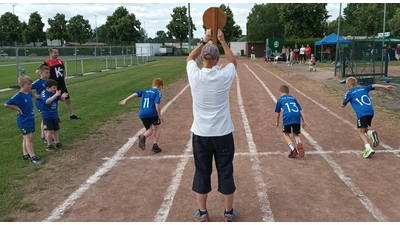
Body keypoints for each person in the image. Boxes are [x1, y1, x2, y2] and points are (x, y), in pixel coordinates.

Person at [186, 28, 238, 222]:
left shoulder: (195, 75)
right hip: (223, 133)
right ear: (217, 60)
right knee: (225, 171)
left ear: (202, 58)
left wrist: (204, 40)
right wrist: (222, 41)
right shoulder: (224, 75)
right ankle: (227, 213)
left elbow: (189, 59)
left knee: (202, 172)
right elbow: (233, 61)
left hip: (201, 134)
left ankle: (203, 213)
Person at [341, 77, 396, 158]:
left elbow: (343, 105)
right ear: (355, 84)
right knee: (363, 128)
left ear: (348, 86)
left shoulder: (349, 93)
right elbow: (373, 85)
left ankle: (368, 148)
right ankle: (370, 133)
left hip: (362, 113)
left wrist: (345, 101)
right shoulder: (363, 88)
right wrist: (385, 87)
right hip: (370, 112)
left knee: (360, 131)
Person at [4, 75, 43, 165]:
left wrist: (37, 96)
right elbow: (6, 104)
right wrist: (17, 109)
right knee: (29, 139)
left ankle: (25, 154)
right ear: (22, 85)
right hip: (24, 121)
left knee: (25, 138)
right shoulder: (18, 96)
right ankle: (33, 157)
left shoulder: (28, 93)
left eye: (31, 84)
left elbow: (33, 95)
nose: (30, 86)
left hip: (30, 119)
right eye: (28, 84)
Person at [119, 78, 164, 154]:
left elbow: (135, 94)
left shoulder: (145, 92)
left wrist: (125, 100)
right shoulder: (158, 92)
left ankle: (143, 136)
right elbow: (157, 104)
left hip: (142, 114)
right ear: (160, 86)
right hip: (152, 112)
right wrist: (159, 115)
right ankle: (155, 145)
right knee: (157, 127)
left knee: (149, 129)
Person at [37, 47, 81, 120]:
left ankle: (72, 115)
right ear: (50, 53)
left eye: (57, 52)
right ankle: (55, 117)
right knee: (53, 101)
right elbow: (38, 71)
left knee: (67, 99)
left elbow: (63, 70)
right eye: (55, 52)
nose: (57, 54)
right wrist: (44, 80)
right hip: (52, 85)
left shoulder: (60, 61)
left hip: (61, 84)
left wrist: (63, 78)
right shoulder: (46, 62)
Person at [275, 84, 308, 158]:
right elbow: (300, 110)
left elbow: (277, 114)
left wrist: (277, 122)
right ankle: (299, 143)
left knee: (286, 134)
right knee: (296, 134)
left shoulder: (280, 100)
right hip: (297, 117)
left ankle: (293, 149)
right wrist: (304, 120)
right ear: (288, 92)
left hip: (288, 117)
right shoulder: (293, 98)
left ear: (280, 92)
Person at [41, 79, 69, 151]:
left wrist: (62, 97)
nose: (55, 89)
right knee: (49, 131)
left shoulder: (55, 93)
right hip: (47, 116)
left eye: (56, 87)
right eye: (53, 88)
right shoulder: (44, 93)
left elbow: (61, 100)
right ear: (47, 88)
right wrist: (55, 95)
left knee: (56, 130)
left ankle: (57, 143)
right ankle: (49, 145)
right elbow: (47, 101)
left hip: (54, 115)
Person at [32, 64, 51, 142]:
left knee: (46, 118)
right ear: (41, 73)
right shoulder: (38, 82)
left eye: (49, 73)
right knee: (45, 118)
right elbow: (27, 88)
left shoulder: (48, 81)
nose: (48, 74)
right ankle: (44, 136)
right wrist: (34, 95)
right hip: (41, 103)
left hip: (47, 103)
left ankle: (44, 135)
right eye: (46, 73)